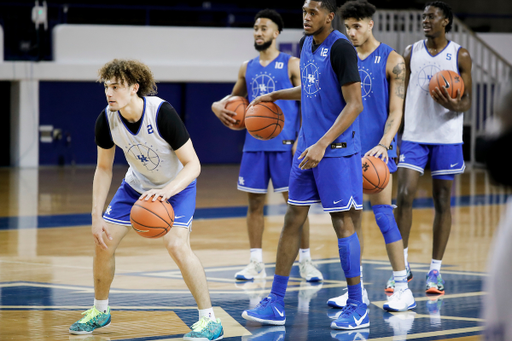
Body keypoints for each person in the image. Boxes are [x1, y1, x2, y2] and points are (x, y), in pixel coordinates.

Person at [68, 59, 224, 341]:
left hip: (177, 187)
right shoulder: (106, 119)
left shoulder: (161, 112)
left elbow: (193, 165)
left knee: (177, 245)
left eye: (116, 86)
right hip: (135, 187)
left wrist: (168, 191)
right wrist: (95, 215)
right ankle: (100, 310)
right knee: (103, 241)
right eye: (106, 87)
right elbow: (103, 168)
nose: (109, 93)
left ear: (134, 88)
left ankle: (209, 320)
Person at [242, 0, 368, 330]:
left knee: (343, 225)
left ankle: (357, 303)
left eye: (313, 13)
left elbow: (355, 104)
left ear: (330, 16)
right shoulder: (305, 44)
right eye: (303, 12)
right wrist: (277, 96)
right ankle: (275, 303)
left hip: (336, 152)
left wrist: (323, 143)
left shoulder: (341, 48)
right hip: (307, 152)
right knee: (291, 220)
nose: (306, 18)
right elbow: (312, 90)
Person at [211, 9, 323, 283]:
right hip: (254, 146)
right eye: (255, 28)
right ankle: (255, 262)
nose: (258, 32)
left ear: (276, 33)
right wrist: (216, 105)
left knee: (296, 205)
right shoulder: (246, 67)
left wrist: (302, 137)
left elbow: (309, 102)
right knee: (254, 205)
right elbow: (231, 99)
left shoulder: (292, 64)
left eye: (264, 28)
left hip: (286, 145)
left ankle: (306, 261)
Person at [327, 0, 416, 312]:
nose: (350, 32)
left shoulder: (393, 60)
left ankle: (403, 287)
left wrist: (385, 143)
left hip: (378, 150)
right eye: (347, 26)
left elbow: (396, 109)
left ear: (370, 24)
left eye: (357, 26)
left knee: (382, 214)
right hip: (347, 149)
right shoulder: (342, 56)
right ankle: (357, 290)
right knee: (351, 219)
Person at [393, 1, 472, 294]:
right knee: (403, 196)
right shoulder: (411, 52)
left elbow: (468, 101)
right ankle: (401, 268)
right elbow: (400, 97)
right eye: (424, 16)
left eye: (432, 16)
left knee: (442, 200)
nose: (426, 20)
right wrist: (396, 132)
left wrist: (455, 104)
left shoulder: (460, 54)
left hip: (447, 136)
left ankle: (435, 271)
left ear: (446, 21)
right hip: (414, 135)